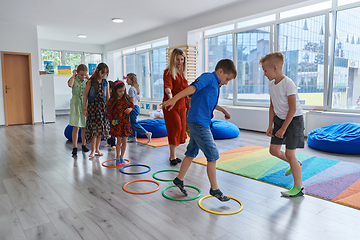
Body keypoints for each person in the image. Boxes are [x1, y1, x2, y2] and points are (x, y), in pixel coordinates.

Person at [162, 59, 237, 202]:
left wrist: (224, 111)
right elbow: (192, 88)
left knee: (191, 153)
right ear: (220, 71)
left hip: (201, 122)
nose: (227, 82)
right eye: (227, 78)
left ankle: (179, 179)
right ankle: (214, 189)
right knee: (213, 155)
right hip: (199, 123)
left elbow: (210, 102)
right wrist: (174, 99)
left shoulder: (216, 84)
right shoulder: (208, 77)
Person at [259, 52, 305, 197]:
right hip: (279, 119)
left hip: (294, 120)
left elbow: (292, 108)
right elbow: (272, 106)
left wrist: (284, 128)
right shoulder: (271, 85)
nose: (264, 74)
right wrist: (270, 125)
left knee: (289, 153)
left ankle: (298, 188)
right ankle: (295, 163)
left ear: (275, 68)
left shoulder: (288, 83)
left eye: (265, 70)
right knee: (273, 150)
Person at [163, 48, 189, 165]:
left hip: (182, 105)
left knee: (180, 129)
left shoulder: (183, 72)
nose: (180, 62)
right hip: (171, 105)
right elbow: (168, 87)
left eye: (182, 59)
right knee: (175, 128)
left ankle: (173, 155)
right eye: (177, 59)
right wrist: (170, 97)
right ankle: (172, 156)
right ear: (173, 60)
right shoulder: (168, 71)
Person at [83, 63, 110, 158]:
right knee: (94, 130)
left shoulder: (105, 83)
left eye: (106, 73)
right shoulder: (90, 82)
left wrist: (109, 108)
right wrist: (84, 109)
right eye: (102, 72)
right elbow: (85, 96)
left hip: (102, 108)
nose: (104, 75)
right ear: (97, 70)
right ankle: (93, 149)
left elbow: (108, 97)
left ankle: (97, 148)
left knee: (100, 130)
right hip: (93, 108)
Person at [107, 81, 134, 165]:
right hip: (117, 122)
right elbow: (109, 111)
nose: (122, 93)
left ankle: (122, 157)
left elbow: (132, 106)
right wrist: (111, 120)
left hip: (126, 122)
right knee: (118, 141)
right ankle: (117, 157)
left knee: (125, 141)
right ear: (115, 91)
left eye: (123, 90)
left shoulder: (126, 98)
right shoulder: (112, 100)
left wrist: (130, 109)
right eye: (120, 91)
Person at [68, 64, 90, 155]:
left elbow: (93, 85)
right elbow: (70, 85)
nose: (83, 76)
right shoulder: (73, 79)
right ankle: (74, 147)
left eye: (85, 75)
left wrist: (88, 78)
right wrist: (73, 75)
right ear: (77, 73)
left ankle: (84, 145)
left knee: (84, 127)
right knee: (76, 127)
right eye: (81, 74)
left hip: (84, 104)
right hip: (76, 104)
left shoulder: (87, 81)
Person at [126, 73, 152, 143]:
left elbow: (132, 99)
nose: (126, 81)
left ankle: (147, 133)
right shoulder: (136, 88)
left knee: (133, 123)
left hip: (133, 108)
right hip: (137, 107)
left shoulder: (131, 89)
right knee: (132, 122)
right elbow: (139, 99)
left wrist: (127, 102)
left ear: (131, 80)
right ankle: (134, 137)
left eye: (127, 79)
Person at [103, 80, 116, 150]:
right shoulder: (106, 96)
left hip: (113, 116)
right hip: (108, 115)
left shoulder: (114, 97)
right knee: (108, 129)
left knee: (112, 130)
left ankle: (113, 144)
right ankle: (109, 143)